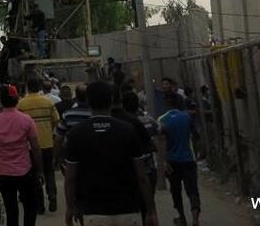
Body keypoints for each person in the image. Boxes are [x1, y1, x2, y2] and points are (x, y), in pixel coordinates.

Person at [63, 81, 158, 226]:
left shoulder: (76, 134)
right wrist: (151, 211)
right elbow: (142, 176)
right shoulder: (128, 130)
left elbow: (70, 178)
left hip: (93, 212)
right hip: (128, 209)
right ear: (112, 100)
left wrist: (70, 207)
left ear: (88, 101)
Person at [0, 85, 43, 226]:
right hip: (24, 170)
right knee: (30, 207)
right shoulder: (26, 120)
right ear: (17, 99)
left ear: (1, 100)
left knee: (11, 209)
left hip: (3, 173)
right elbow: (35, 147)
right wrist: (39, 169)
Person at [111, 90, 159, 223]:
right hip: (146, 169)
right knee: (146, 203)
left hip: (126, 173)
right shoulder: (143, 120)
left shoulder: (115, 122)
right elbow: (152, 144)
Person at [18, 77, 60, 213]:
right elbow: (56, 120)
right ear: (40, 87)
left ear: (27, 88)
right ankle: (52, 196)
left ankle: (40, 206)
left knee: (35, 175)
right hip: (47, 143)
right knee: (49, 172)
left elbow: (19, 125)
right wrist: (47, 129)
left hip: (30, 146)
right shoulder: (48, 102)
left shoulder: (21, 104)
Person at [158, 92, 200, 226]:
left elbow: (161, 143)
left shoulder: (162, 120)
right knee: (192, 189)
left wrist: (163, 161)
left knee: (175, 190)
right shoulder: (187, 117)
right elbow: (196, 135)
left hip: (172, 162)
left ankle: (182, 218)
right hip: (188, 159)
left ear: (166, 103)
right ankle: (195, 218)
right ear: (178, 103)